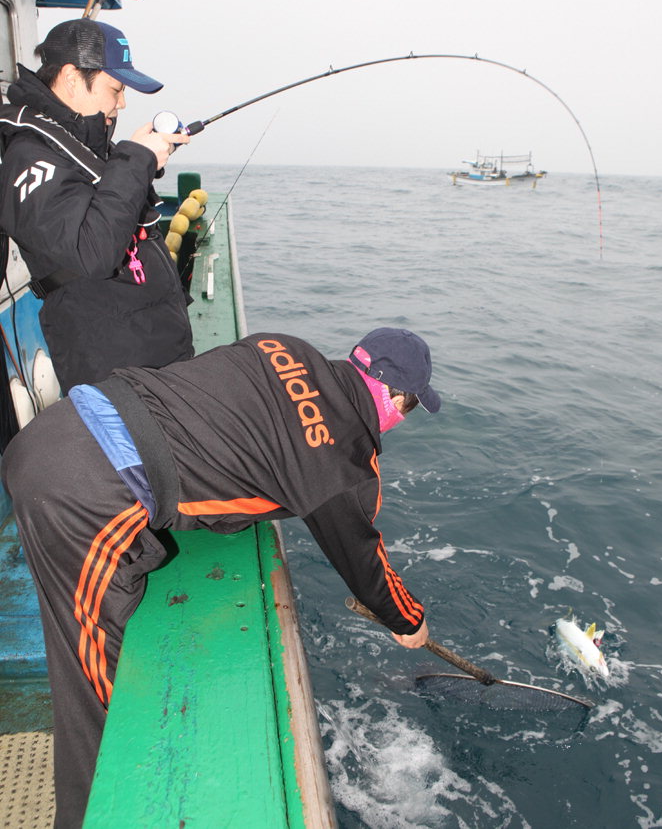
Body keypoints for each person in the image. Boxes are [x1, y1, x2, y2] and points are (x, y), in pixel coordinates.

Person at [2, 326, 439, 827]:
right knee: (95, 686)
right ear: (393, 397)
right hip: (79, 490)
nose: (403, 419)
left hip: (68, 419)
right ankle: (91, 816)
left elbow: (227, 423)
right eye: (410, 407)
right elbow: (363, 563)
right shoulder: (342, 462)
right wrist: (409, 622)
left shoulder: (284, 346)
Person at [0, 17, 194, 392]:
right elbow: (92, 251)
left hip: (152, 356)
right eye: (115, 89)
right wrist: (136, 161)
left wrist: (141, 164)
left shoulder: (78, 140)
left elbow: (104, 201)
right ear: (73, 78)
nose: (121, 103)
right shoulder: (29, 157)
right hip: (117, 373)